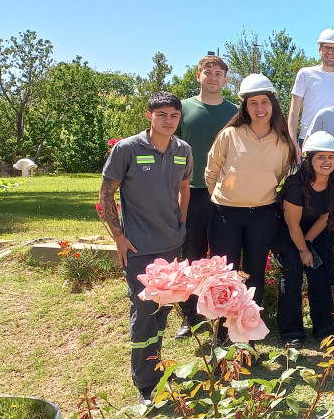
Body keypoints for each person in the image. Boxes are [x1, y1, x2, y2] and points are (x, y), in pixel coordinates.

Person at [99, 91, 192, 407]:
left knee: (163, 311)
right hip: (139, 249)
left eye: (174, 115)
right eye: (162, 114)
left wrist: (181, 224)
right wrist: (118, 238)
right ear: (149, 116)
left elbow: (184, 187)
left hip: (171, 245)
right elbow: (106, 194)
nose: (168, 120)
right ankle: (144, 382)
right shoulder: (127, 149)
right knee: (143, 313)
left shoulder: (183, 150)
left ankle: (157, 368)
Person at [205, 74, 297, 309]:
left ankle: (250, 323)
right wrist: (223, 197)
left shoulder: (282, 142)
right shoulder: (230, 134)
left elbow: (281, 174)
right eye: (252, 103)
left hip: (262, 215)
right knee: (225, 272)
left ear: (273, 104)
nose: (259, 108)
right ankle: (224, 327)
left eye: (264, 102)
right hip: (226, 215)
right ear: (245, 107)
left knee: (255, 271)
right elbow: (211, 170)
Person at [174, 55, 237, 339]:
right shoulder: (182, 109)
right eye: (208, 72)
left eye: (219, 73)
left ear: (225, 80)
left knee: (224, 256)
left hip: (227, 194)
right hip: (192, 191)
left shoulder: (235, 112)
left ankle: (224, 311)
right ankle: (192, 317)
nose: (213, 77)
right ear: (198, 75)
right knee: (192, 254)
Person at [274, 131, 334, 349]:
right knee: (292, 276)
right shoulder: (296, 186)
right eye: (320, 157)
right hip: (288, 232)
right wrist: (302, 251)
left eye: (331, 157)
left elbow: (326, 215)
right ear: (309, 159)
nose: (327, 162)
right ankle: (291, 331)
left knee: (320, 276)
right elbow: (292, 224)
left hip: (317, 231)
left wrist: (308, 247)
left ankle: (324, 328)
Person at [289, 28, 334, 145]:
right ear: (320, 50)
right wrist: (292, 140)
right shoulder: (305, 74)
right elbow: (294, 110)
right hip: (307, 140)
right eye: (326, 48)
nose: (330, 52)